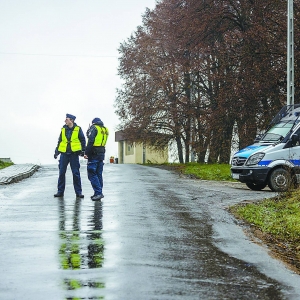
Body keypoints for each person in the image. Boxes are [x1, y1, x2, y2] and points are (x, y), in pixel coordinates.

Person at [54, 113, 86, 198]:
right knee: (61, 173)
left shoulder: (78, 129)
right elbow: (60, 141)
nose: (65, 121)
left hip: (74, 154)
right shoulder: (63, 129)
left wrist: (83, 151)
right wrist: (56, 152)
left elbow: (83, 140)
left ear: (71, 120)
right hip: (64, 154)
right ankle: (60, 191)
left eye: (67, 119)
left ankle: (78, 192)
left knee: (76, 173)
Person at [84, 117, 109, 201]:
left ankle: (98, 193)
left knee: (92, 173)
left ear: (93, 123)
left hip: (93, 153)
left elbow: (91, 141)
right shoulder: (105, 129)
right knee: (98, 174)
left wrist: (86, 152)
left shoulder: (94, 128)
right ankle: (98, 192)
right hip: (101, 153)